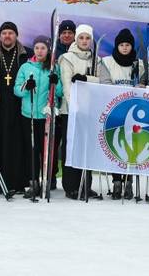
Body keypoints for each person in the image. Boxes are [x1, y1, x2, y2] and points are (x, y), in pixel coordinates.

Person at [99, 28, 149, 199]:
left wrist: (141, 86)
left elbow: (144, 85)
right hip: (115, 112)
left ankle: (129, 182)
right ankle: (117, 181)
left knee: (132, 147)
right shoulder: (107, 62)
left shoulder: (139, 64)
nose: (125, 48)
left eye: (128, 45)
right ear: (117, 46)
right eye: (122, 45)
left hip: (134, 114)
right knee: (116, 146)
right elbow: (105, 85)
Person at [13, 35, 62, 199]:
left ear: (48, 50)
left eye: (43, 48)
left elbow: (60, 92)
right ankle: (33, 182)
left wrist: (56, 82)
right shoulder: (26, 67)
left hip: (47, 115)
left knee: (46, 151)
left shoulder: (54, 67)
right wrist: (27, 86)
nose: (40, 51)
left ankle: (47, 181)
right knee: (32, 150)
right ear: (33, 49)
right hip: (30, 115)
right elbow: (17, 90)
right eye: (37, 48)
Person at [57, 23, 100, 200]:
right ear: (76, 39)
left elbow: (101, 81)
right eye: (81, 37)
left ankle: (85, 185)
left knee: (86, 148)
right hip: (71, 111)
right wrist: (75, 108)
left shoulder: (96, 59)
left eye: (87, 38)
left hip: (90, 111)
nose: (84, 41)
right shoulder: (67, 58)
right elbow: (67, 85)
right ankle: (71, 186)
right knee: (72, 148)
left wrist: (86, 78)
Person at [0, 21, 29, 194]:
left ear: (16, 35)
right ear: (0, 36)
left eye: (10, 33)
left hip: (20, 105)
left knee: (18, 143)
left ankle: (19, 182)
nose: (7, 36)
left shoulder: (26, 53)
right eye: (4, 33)